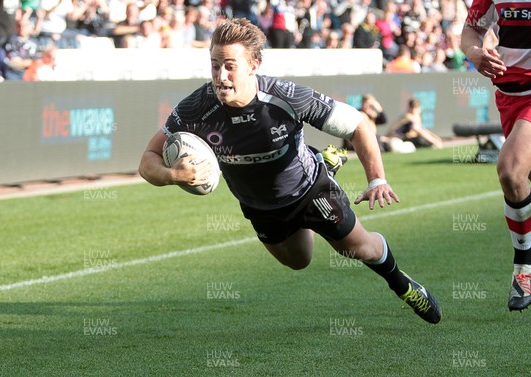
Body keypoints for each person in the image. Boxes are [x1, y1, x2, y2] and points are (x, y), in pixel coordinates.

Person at [139, 18, 441, 324]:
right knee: (299, 261)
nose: (220, 75)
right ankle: (324, 161)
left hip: (311, 189)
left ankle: (402, 286)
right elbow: (148, 158)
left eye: (230, 65)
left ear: (254, 64)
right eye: (215, 65)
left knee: (356, 248)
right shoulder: (196, 108)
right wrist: (172, 175)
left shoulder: (285, 97)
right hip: (260, 205)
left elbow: (358, 124)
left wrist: (377, 178)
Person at [462, 0, 531, 312]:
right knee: (519, 182)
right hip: (508, 96)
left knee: (510, 170)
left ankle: (523, 269)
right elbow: (470, 30)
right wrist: (475, 53)